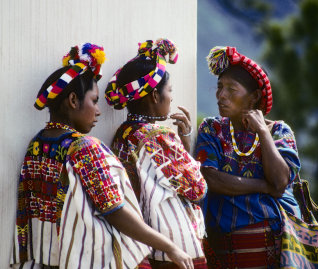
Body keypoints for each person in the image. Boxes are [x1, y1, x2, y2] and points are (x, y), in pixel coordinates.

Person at [10, 43, 194, 269]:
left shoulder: (37, 144)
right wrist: (169, 246)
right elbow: (114, 210)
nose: (98, 111)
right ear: (73, 101)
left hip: (45, 260)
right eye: (94, 101)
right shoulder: (84, 148)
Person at [194, 46, 302, 268]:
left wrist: (263, 132)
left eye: (231, 89)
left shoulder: (278, 132)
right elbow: (210, 178)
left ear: (254, 97)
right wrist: (264, 186)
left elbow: (281, 182)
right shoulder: (211, 129)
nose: (221, 95)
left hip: (274, 251)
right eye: (220, 87)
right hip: (225, 249)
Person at [105, 39, 208, 268]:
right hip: (172, 250)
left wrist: (182, 142)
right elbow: (197, 188)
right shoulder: (158, 137)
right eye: (169, 90)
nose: (171, 97)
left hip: (143, 244)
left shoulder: (124, 134)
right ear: (154, 96)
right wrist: (184, 141)